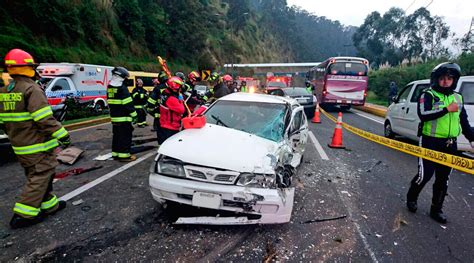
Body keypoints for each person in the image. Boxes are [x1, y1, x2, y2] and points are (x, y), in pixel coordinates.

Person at [0, 48, 70, 229]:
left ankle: (50, 205)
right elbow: (44, 119)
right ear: (28, 67)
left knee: (37, 173)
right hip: (36, 144)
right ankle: (24, 214)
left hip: (20, 144)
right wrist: (62, 135)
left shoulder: (6, 90)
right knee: (41, 174)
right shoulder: (31, 89)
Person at [406, 62, 474, 224]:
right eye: (442, 78)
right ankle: (412, 197)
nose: (445, 81)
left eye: (449, 78)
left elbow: (463, 121)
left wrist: (471, 138)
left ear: (454, 80)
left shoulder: (458, 98)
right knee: (425, 175)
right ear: (436, 79)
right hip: (430, 141)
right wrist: (445, 109)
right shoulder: (427, 94)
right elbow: (424, 114)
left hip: (450, 144)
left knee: (443, 179)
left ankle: (436, 209)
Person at [107, 67, 137, 162]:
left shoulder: (110, 88)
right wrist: (135, 115)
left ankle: (115, 153)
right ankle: (124, 155)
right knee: (125, 137)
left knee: (116, 136)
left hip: (115, 118)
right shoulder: (122, 89)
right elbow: (128, 104)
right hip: (124, 119)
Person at [159, 76, 186, 144]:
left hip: (165, 124)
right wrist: (180, 100)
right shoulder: (171, 99)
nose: (180, 89)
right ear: (174, 88)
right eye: (179, 87)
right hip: (170, 127)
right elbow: (182, 110)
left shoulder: (165, 93)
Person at [147, 71, 168, 143]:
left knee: (160, 132)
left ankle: (161, 147)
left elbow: (151, 102)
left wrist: (150, 108)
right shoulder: (172, 86)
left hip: (160, 113)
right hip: (171, 114)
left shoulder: (157, 88)